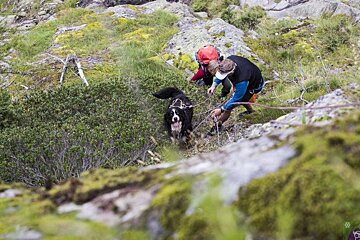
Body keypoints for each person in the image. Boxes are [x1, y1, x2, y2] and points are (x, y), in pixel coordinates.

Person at [207, 55, 264, 135]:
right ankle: (250, 111)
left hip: (254, 84)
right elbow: (221, 73)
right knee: (240, 99)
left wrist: (221, 109)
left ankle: (218, 126)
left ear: (231, 73)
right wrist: (213, 85)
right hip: (249, 75)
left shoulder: (242, 80)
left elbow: (236, 99)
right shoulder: (229, 61)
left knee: (232, 105)